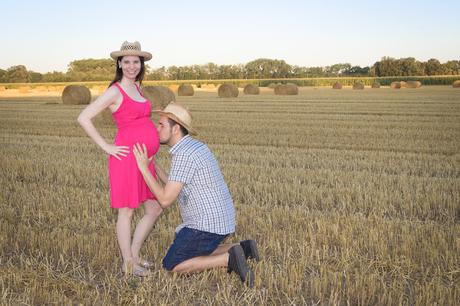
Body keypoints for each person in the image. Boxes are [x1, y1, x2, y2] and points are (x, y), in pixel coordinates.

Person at [132, 102, 260, 287]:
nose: (156, 128)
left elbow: (166, 199)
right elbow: (176, 184)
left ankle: (228, 259)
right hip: (219, 220)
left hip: (205, 225)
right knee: (195, 251)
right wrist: (154, 166)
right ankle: (241, 248)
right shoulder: (193, 147)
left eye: (161, 124)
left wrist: (143, 168)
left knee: (173, 265)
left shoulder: (184, 155)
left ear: (175, 129)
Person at [77, 41, 162, 276]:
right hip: (126, 159)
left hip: (145, 160)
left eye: (136, 61)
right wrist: (107, 146)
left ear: (141, 65)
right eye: (127, 61)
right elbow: (84, 117)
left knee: (154, 209)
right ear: (119, 63)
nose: (132, 66)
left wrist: (152, 146)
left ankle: (134, 256)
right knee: (126, 212)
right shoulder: (116, 90)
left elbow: (142, 123)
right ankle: (128, 264)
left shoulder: (138, 87)